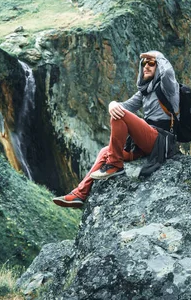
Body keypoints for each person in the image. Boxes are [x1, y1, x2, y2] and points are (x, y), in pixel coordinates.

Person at [53, 50, 180, 208]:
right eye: (144, 63)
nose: (146, 66)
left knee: (119, 116)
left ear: (159, 65)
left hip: (161, 141)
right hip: (147, 143)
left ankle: (115, 165)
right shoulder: (145, 92)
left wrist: (156, 55)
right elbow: (122, 107)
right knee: (105, 151)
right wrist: (112, 104)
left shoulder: (168, 86)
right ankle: (80, 193)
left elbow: (167, 70)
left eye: (151, 63)